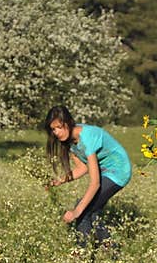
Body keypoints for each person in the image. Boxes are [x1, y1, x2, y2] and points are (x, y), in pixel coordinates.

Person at [44, 105, 132, 249]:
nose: (57, 133)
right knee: (92, 212)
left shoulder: (87, 138)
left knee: (83, 210)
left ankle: (83, 254)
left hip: (118, 169)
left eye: (59, 127)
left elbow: (95, 183)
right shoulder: (70, 142)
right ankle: (112, 253)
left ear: (68, 122)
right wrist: (59, 181)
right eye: (53, 129)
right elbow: (82, 168)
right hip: (106, 171)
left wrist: (76, 211)